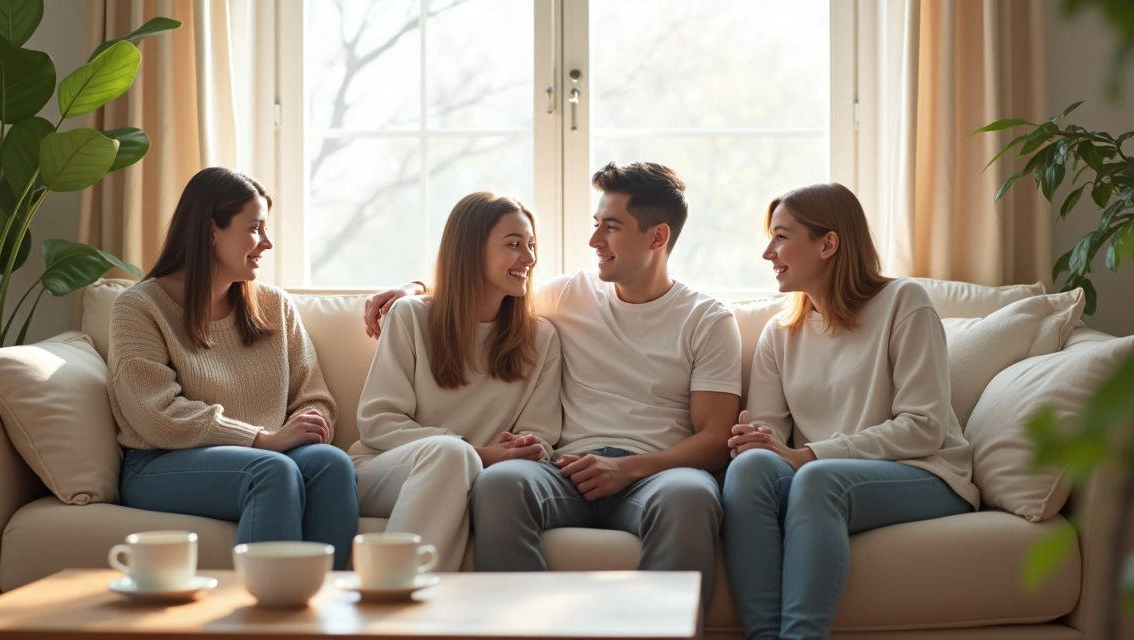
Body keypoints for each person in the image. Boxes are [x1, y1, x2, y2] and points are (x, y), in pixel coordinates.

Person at [365, 162, 742, 606]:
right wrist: (414, 288)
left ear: (657, 237)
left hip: (657, 476)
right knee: (500, 484)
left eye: (611, 227)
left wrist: (629, 469)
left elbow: (716, 439)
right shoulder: (568, 295)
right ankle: (514, 628)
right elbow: (482, 288)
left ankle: (664, 630)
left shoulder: (708, 319)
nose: (594, 240)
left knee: (692, 495)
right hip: (564, 471)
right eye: (596, 224)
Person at [722, 183, 978, 640]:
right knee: (749, 470)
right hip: (820, 473)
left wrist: (810, 455)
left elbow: (924, 427)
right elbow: (769, 439)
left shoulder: (904, 303)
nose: (768, 253)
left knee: (819, 479)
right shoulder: (780, 333)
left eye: (781, 237)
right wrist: (754, 443)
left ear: (828, 244)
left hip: (924, 471)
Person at [107, 167, 359, 567]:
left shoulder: (275, 306)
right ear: (212, 230)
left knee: (332, 464)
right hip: (160, 463)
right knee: (270, 471)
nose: (267, 243)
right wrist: (261, 440)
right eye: (255, 229)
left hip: (270, 454)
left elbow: (313, 396)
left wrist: (307, 425)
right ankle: (267, 608)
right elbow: (156, 414)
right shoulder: (139, 308)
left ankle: (328, 603)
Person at [350, 192, 562, 572]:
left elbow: (541, 436)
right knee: (451, 456)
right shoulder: (411, 316)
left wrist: (519, 450)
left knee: (454, 459)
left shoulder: (542, 338)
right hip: (385, 469)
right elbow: (378, 422)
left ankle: (395, 594)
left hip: (477, 476)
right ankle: (393, 590)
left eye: (531, 245)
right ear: (470, 250)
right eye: (514, 244)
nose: (529, 258)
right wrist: (476, 452)